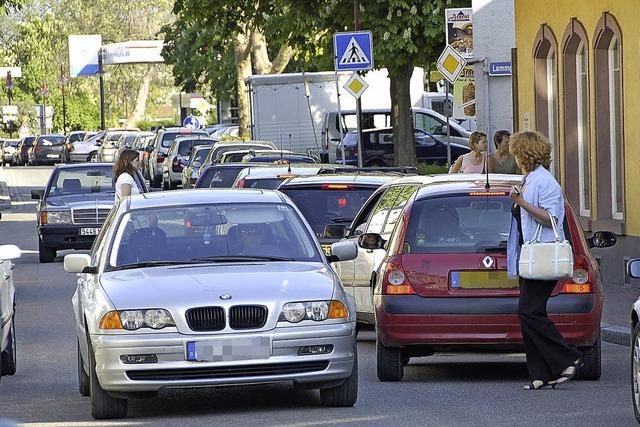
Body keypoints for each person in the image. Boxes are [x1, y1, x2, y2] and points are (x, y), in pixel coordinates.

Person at [506, 131, 581, 390]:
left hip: (543, 255)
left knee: (529, 311)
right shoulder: (529, 179)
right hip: (529, 257)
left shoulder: (546, 182)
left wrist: (521, 202)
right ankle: (540, 375)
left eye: (516, 152)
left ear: (525, 154)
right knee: (529, 313)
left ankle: (567, 358)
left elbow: (552, 219)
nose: (514, 157)